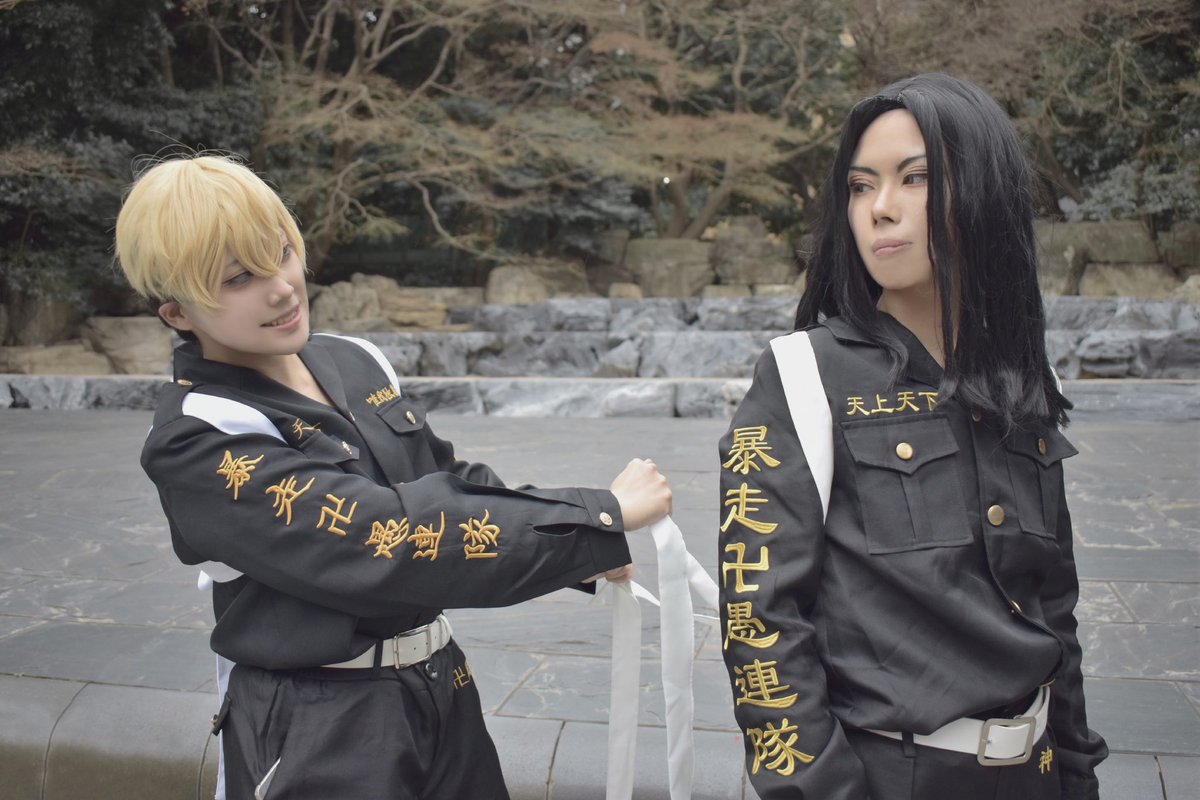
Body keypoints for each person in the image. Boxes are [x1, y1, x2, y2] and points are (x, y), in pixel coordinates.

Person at [114, 154, 672, 800]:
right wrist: (593, 517)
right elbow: (382, 539)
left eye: (282, 252)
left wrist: (580, 548)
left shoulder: (352, 359)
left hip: (441, 689)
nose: (283, 288)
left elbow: (445, 475)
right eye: (240, 278)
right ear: (177, 313)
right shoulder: (198, 437)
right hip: (320, 724)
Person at [718, 73, 1107, 799]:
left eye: (915, 178)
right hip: (892, 776)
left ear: (983, 191)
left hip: (1037, 773)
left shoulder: (1022, 378)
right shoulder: (804, 376)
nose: (880, 208)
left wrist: (1077, 773)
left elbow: (1054, 604)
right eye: (860, 186)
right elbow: (760, 624)